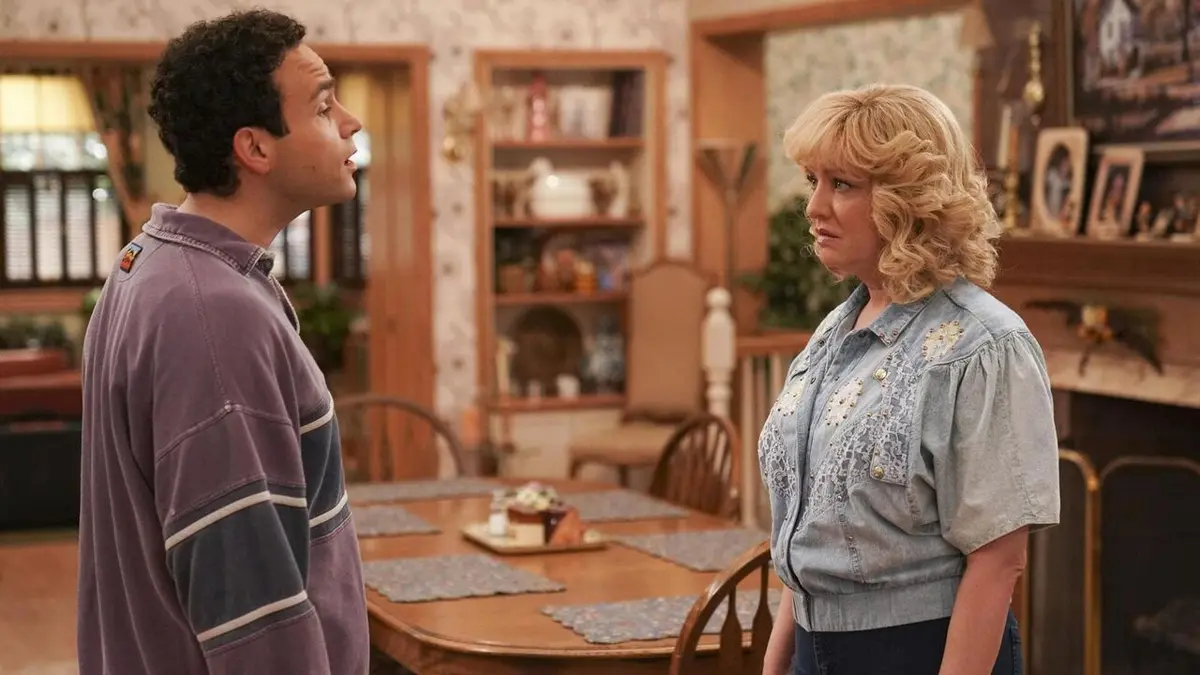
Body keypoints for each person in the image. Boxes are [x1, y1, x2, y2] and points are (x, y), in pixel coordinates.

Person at [77, 9, 368, 675]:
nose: (350, 122)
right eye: (324, 106)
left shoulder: (154, 264)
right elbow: (251, 609)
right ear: (255, 148)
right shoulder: (212, 313)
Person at [759, 83, 1060, 675]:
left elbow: (999, 560)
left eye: (842, 184)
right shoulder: (834, 331)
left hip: (922, 652)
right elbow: (810, 534)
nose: (814, 207)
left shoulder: (985, 346)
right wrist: (777, 665)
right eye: (813, 181)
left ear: (910, 200)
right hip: (814, 653)